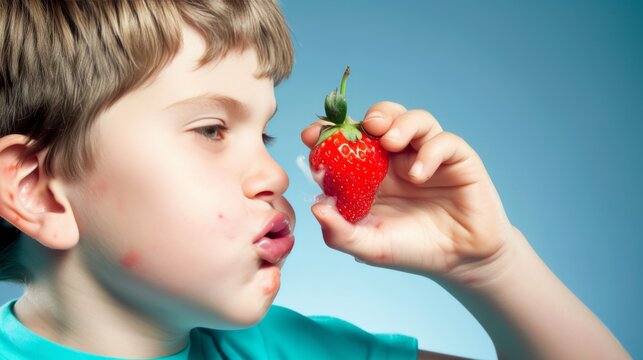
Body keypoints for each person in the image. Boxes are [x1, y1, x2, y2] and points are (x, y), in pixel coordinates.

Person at [0, 1, 631, 359]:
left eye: (265, 134)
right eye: (213, 129)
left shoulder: (291, 350)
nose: (275, 174)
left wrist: (490, 266)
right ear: (39, 190)